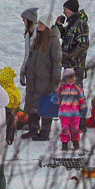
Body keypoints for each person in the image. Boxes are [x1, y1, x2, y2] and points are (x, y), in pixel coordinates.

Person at [21, 9, 62, 141]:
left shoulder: (54, 41)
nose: (38, 26)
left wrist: (55, 82)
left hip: (46, 80)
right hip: (33, 79)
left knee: (45, 106)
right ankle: (33, 129)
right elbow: (30, 56)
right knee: (32, 105)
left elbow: (57, 63)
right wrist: (25, 70)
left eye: (41, 24)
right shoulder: (37, 39)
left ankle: (45, 133)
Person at [59, 0, 90, 76]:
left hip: (76, 65)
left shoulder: (80, 23)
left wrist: (71, 56)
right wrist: (58, 25)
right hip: (68, 65)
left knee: (75, 87)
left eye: (65, 9)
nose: (64, 12)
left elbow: (84, 44)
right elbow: (63, 35)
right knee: (66, 87)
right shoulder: (72, 24)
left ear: (70, 10)